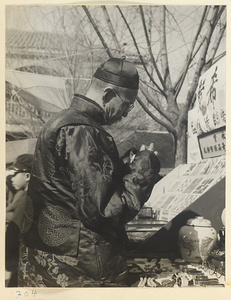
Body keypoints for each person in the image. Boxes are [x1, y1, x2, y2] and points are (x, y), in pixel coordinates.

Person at [18, 57, 160, 287]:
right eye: (127, 104)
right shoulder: (84, 131)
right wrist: (144, 167)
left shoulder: (58, 121)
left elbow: (71, 188)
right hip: (78, 268)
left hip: (44, 259)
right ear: (107, 95)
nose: (125, 114)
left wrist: (124, 166)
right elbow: (106, 211)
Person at [5, 154, 34, 287]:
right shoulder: (36, 197)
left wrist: (8, 262)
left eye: (15, 173)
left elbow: (11, 236)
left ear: (27, 176)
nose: (11, 178)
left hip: (21, 269)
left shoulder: (25, 201)